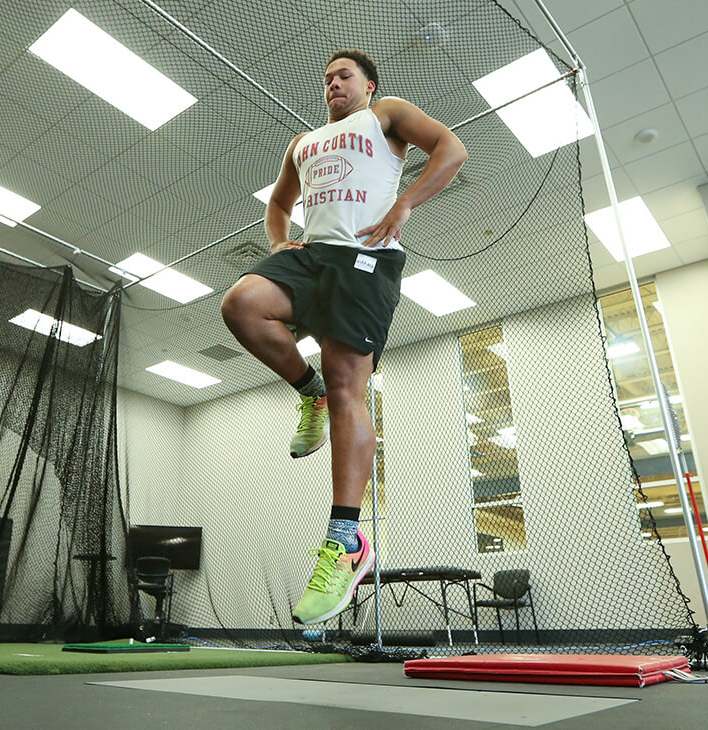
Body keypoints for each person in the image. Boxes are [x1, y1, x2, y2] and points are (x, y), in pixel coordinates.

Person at [220, 49, 467, 625]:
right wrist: (280, 240)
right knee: (242, 305)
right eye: (327, 78)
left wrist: (405, 202)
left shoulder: (385, 116)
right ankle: (308, 390)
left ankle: (345, 539)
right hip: (313, 257)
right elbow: (279, 202)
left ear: (367, 85)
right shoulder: (303, 143)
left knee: (349, 384)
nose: (333, 83)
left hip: (367, 258)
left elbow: (452, 150)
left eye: (343, 75)